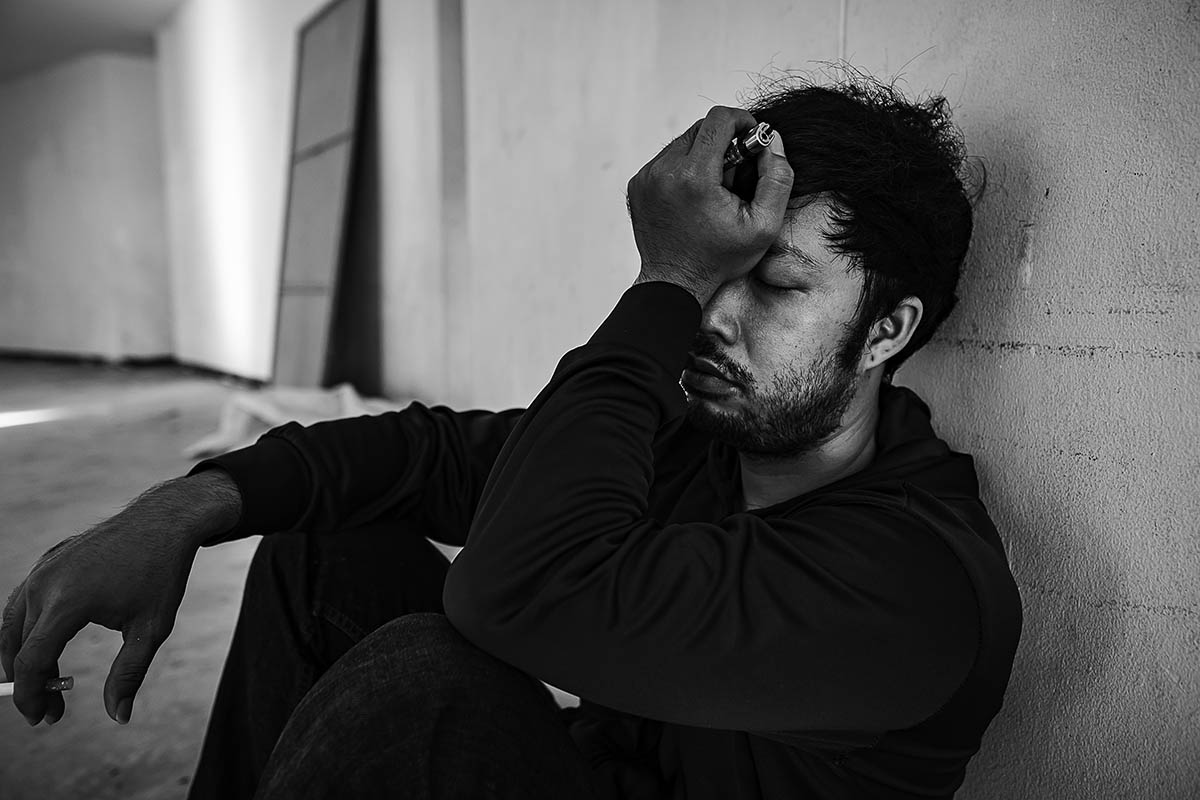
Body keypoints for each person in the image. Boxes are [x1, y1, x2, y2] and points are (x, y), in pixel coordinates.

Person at [1, 74, 1022, 800]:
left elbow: (514, 591)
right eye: (718, 269)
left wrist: (664, 278)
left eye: (777, 284)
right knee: (330, 548)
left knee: (430, 678)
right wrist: (182, 508)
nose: (715, 314)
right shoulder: (702, 444)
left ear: (887, 329)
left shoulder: (915, 581)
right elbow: (428, 456)